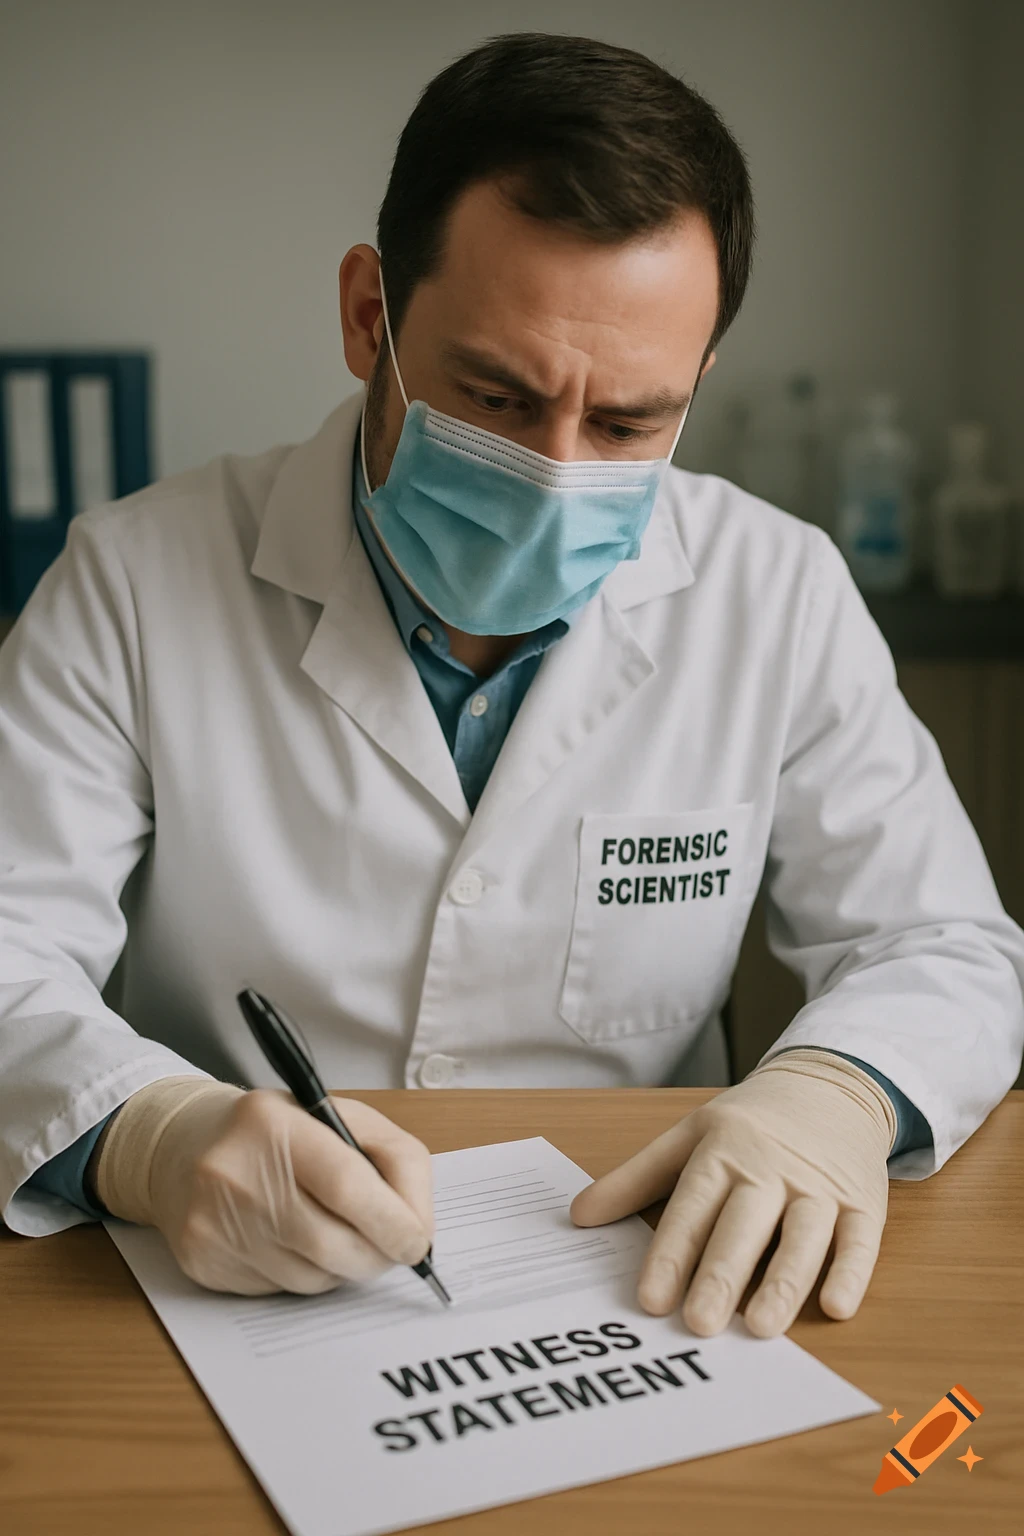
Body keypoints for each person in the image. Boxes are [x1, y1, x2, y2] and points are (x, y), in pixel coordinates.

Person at [1, 34, 1021, 1338]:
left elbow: (942, 944)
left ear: (696, 384)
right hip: (227, 1291)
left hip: (626, 1285)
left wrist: (837, 1088)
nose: (555, 478)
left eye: (628, 423)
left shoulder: (778, 592)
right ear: (369, 316)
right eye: (495, 397)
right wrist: (148, 1136)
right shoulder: (132, 582)